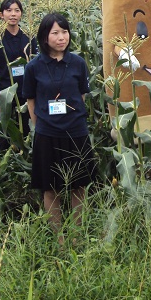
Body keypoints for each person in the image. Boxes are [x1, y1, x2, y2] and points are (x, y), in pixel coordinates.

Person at [23, 12, 96, 239]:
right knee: (50, 187)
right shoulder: (34, 67)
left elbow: (81, 96)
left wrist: (71, 119)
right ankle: (58, 237)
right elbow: (31, 101)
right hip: (47, 134)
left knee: (79, 185)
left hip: (76, 132)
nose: (61, 37)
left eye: (64, 32)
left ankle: (76, 234)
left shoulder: (78, 63)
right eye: (55, 33)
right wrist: (43, 126)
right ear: (44, 37)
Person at [0, 0, 37, 151]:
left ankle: (26, 153)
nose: (13, 14)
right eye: (9, 10)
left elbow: (35, 64)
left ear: (21, 14)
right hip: (4, 91)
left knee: (28, 125)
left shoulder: (29, 36)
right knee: (3, 128)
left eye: (17, 10)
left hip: (25, 90)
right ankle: (5, 158)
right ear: (1, 14)